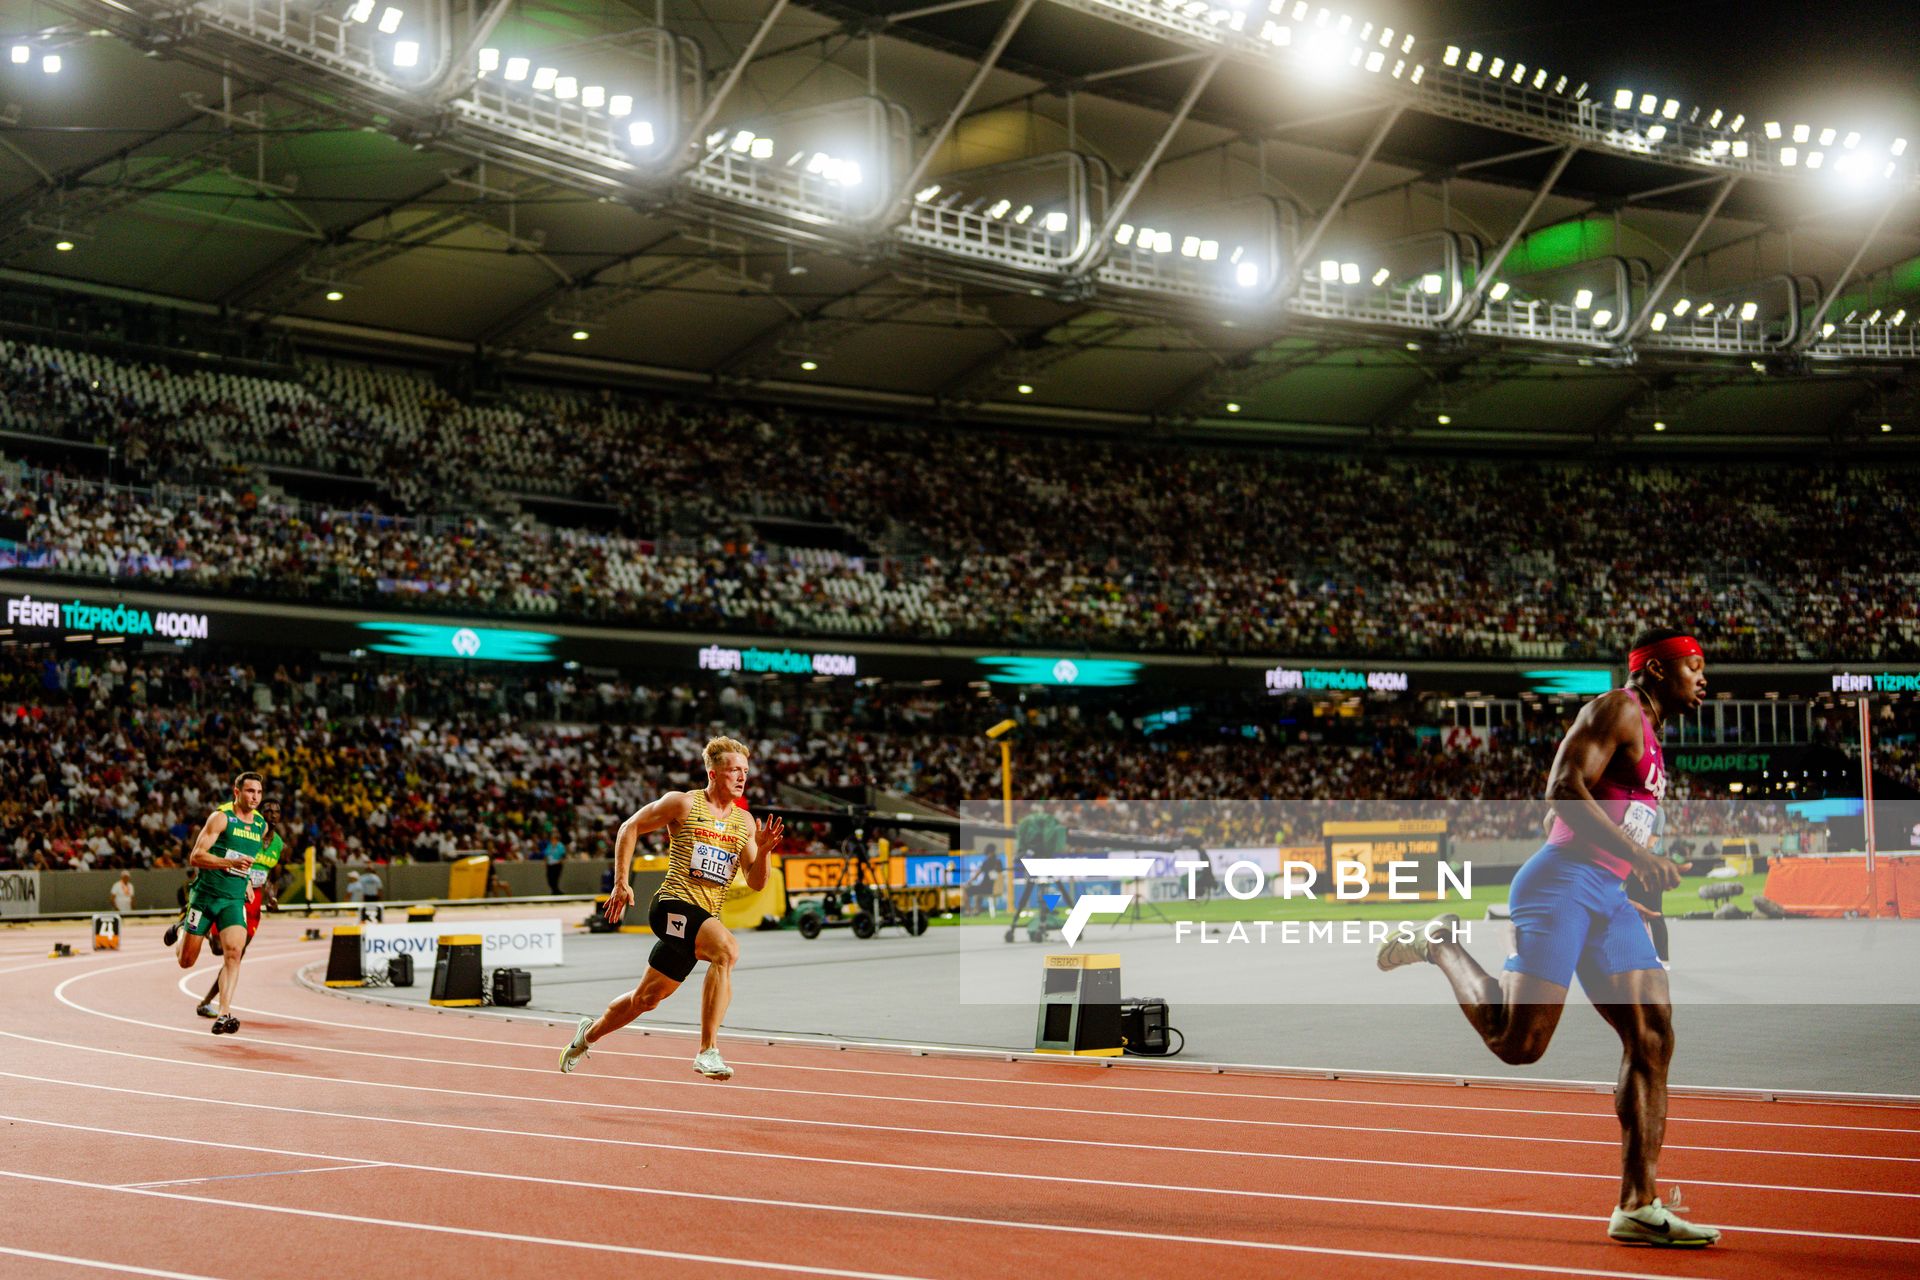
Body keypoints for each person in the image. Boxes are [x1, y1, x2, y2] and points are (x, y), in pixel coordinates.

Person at [1378, 628, 1718, 1248]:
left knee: (1653, 1034)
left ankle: (1637, 1205)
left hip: (1608, 895)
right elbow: (1561, 791)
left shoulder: (1654, 738)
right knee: (1518, 1042)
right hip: (1560, 887)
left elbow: (1581, 806)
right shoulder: (1617, 708)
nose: (1704, 678)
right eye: (1693, 667)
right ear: (1657, 669)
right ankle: (1440, 945)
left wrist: (1626, 870)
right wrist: (1636, 857)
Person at [558, 736, 781, 1080]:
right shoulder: (683, 804)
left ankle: (587, 1035)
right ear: (712, 772)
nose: (741, 777)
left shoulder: (745, 823)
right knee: (727, 951)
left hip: (701, 920)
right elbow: (628, 827)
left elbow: (756, 881)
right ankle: (708, 1051)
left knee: (645, 999)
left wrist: (763, 851)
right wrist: (621, 881)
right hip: (671, 906)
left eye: (745, 771)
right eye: (734, 770)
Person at [167, 772, 268, 1035]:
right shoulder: (221, 818)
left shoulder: (261, 826)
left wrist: (244, 881)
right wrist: (229, 863)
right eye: (249, 791)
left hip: (233, 900)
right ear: (237, 792)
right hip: (205, 897)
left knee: (234, 953)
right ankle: (180, 929)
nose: (254, 797)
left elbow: (248, 863)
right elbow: (196, 856)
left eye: (258, 792)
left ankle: (224, 1014)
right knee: (186, 961)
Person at [195, 800, 286, 1019]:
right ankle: (198, 925)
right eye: (268, 812)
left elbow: (272, 877)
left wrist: (272, 896)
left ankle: (207, 1002)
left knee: (236, 955)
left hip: (254, 903)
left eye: (276, 812)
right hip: (232, 892)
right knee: (218, 949)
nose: (272, 816)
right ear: (258, 815)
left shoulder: (279, 844)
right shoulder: (246, 834)